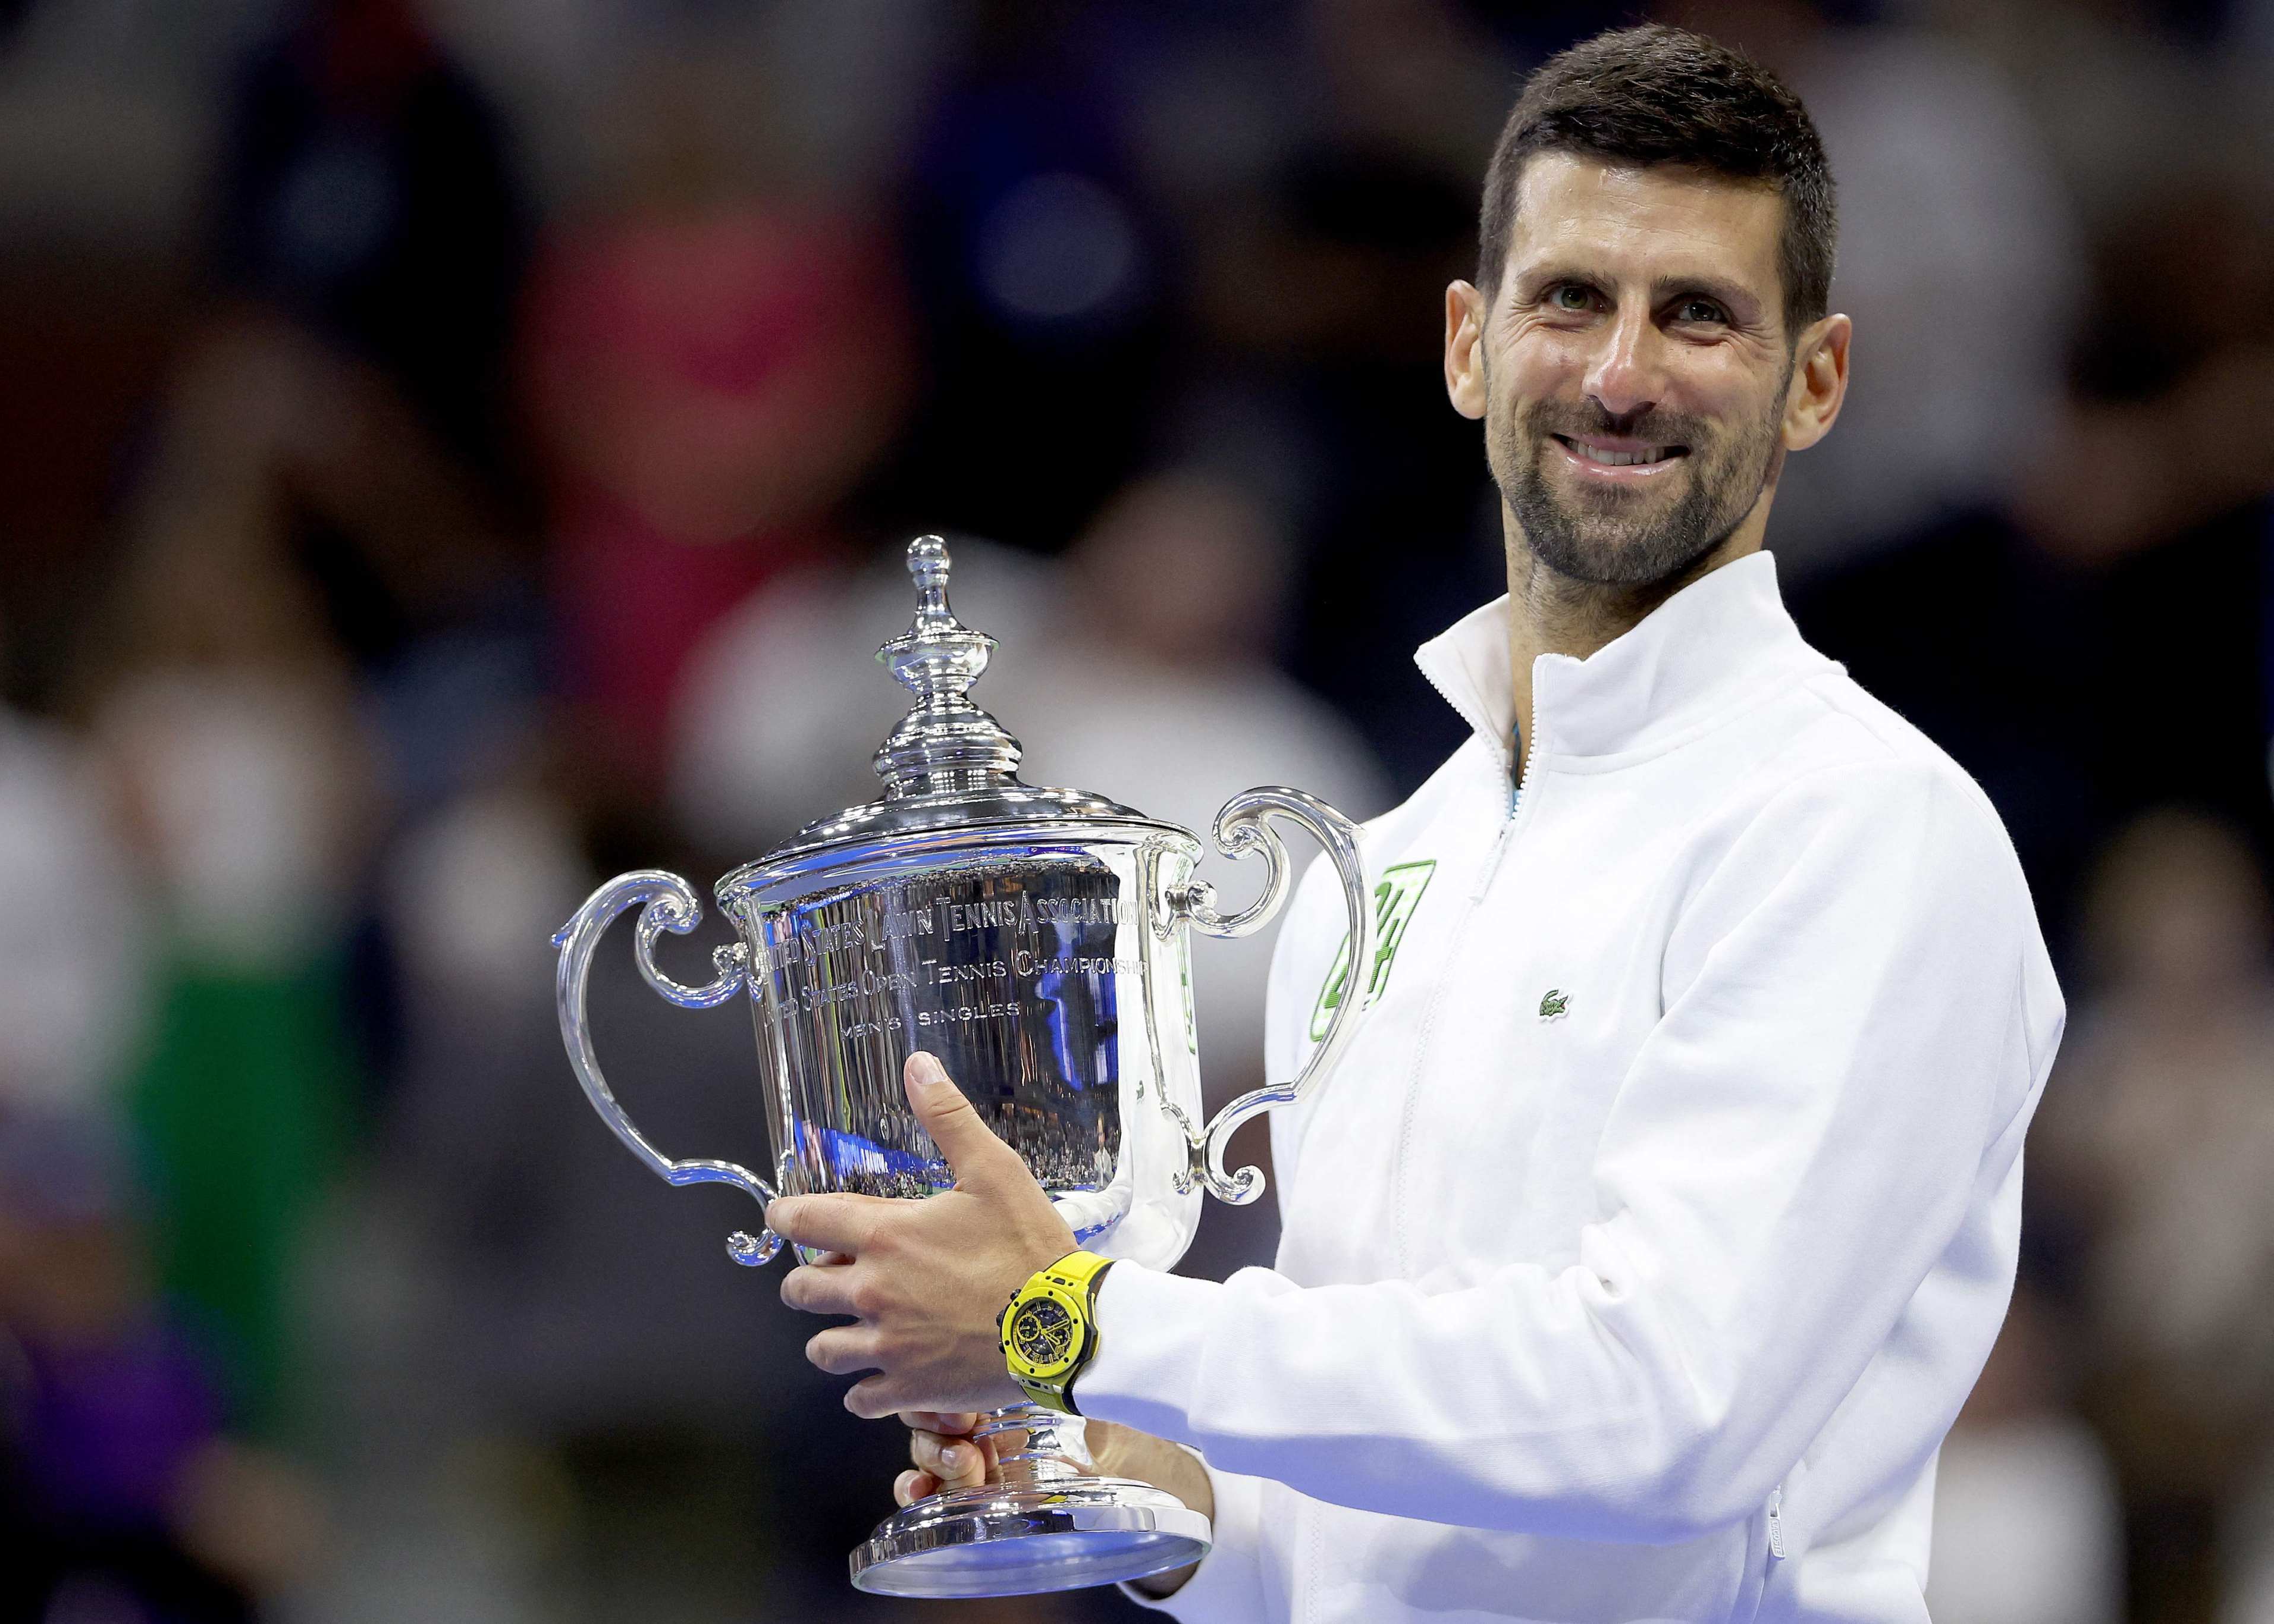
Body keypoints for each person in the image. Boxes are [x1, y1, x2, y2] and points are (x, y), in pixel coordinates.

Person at [767, 26, 2062, 1624]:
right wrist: (1110, 1472)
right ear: (1468, 343)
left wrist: (1065, 1317)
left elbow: (1671, 1408)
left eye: (1700, 315)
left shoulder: (1870, 831)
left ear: (1816, 382)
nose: (1620, 373)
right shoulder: (1374, 868)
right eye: (1570, 298)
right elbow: (1332, 1537)